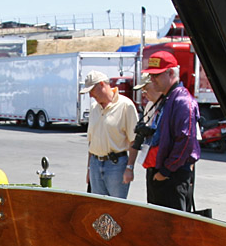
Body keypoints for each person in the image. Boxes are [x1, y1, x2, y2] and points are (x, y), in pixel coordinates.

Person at [142, 50, 200, 211]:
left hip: (172, 175)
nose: (152, 79)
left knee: (172, 227)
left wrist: (166, 171)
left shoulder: (182, 101)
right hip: (161, 171)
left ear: (171, 73)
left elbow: (185, 140)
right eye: (151, 75)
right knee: (158, 224)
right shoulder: (167, 99)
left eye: (156, 75)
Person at [82, 70, 139, 198]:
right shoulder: (93, 108)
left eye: (92, 90)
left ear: (102, 84)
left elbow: (134, 140)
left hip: (116, 166)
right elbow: (92, 141)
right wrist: (89, 169)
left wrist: (130, 168)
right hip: (95, 164)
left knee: (116, 209)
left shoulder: (126, 106)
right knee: (99, 208)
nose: (91, 95)